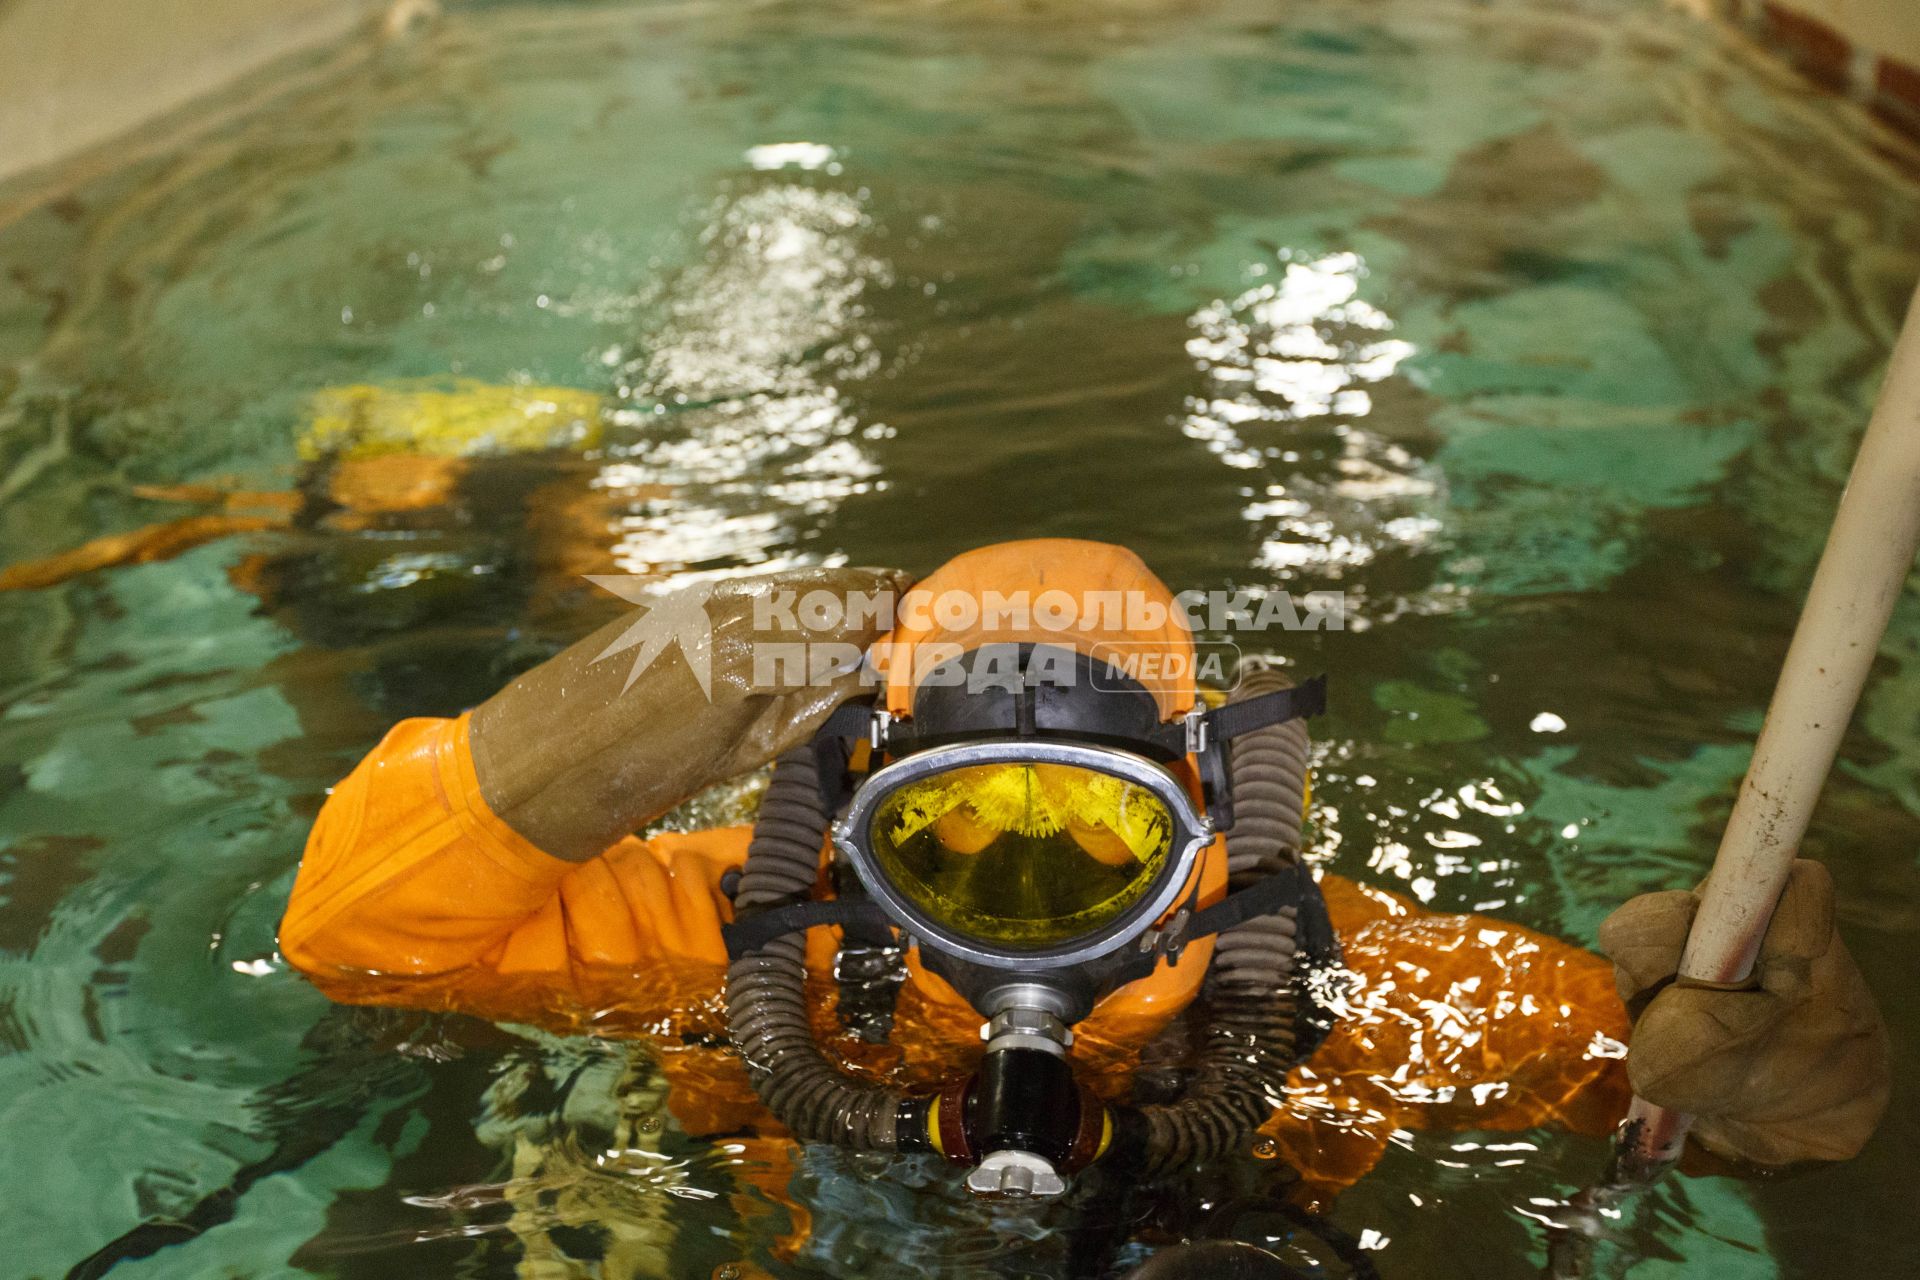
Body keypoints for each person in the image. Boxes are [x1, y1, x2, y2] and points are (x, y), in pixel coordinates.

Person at [278, 540, 1889, 1272]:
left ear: (1205, 819)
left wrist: (1764, 1055)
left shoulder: (1368, 980)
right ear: (853, 809)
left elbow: (1766, 1130)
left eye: (1094, 837)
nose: (1028, 905)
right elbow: (356, 946)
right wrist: (665, 677)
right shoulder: (748, 931)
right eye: (963, 831)